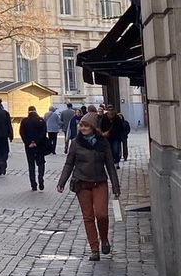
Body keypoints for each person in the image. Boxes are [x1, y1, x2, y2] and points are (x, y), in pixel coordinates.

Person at [57, 111, 121, 261]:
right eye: (81, 125)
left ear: (93, 127)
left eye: (86, 125)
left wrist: (116, 186)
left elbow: (110, 165)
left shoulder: (103, 143)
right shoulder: (76, 143)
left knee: (102, 214)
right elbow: (69, 164)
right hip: (82, 183)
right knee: (88, 217)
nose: (82, 127)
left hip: (100, 182)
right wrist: (61, 182)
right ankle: (94, 249)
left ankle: (104, 239)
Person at [19, 106, 48, 191]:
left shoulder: (24, 121)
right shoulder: (41, 120)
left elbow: (22, 133)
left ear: (28, 112)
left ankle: (33, 184)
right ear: (36, 111)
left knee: (31, 165)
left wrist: (29, 142)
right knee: (41, 163)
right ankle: (41, 179)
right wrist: (36, 142)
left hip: (29, 147)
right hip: (39, 146)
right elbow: (43, 133)